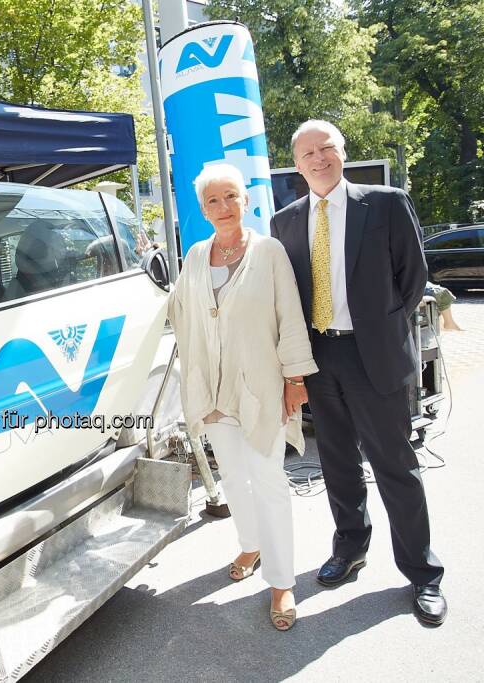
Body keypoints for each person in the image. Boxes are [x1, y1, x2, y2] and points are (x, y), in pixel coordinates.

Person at [271, 120, 446, 625]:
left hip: (375, 357)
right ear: (297, 164)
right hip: (319, 360)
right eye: (307, 153)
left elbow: (413, 279)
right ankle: (349, 547)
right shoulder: (285, 222)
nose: (318, 158)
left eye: (326, 148)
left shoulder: (386, 203)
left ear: (342, 152)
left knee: (396, 465)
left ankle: (422, 573)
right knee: (338, 465)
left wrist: (379, 330)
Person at [168, 164, 317, 631]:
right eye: (213, 200)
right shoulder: (194, 255)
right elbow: (174, 309)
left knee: (269, 481)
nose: (223, 207)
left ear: (245, 200)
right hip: (211, 389)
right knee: (233, 477)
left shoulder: (269, 251)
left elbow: (289, 314)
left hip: (258, 386)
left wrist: (295, 379)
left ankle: (281, 581)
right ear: (202, 209)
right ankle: (249, 544)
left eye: (230, 196)